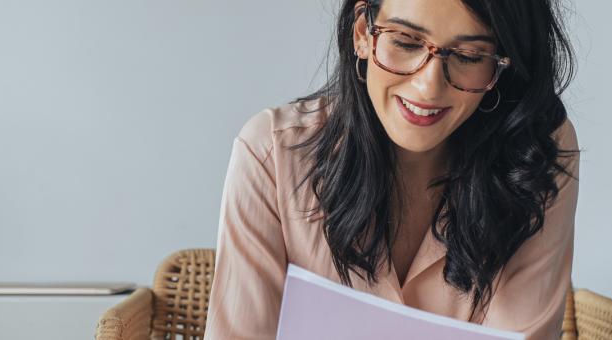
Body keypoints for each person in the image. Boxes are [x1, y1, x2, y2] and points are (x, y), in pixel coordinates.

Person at [205, 0, 579, 338]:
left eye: (468, 56)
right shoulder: (271, 155)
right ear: (364, 33)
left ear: (501, 64)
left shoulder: (534, 155)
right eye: (406, 42)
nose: (428, 87)